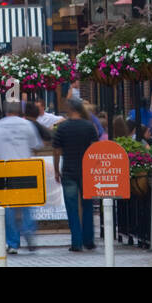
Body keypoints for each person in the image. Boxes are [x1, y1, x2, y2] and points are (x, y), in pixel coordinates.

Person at [0, 98, 44, 254]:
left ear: (6, 111)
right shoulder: (27, 125)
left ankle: (13, 243)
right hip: (25, 169)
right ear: (19, 111)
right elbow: (36, 146)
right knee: (26, 204)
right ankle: (28, 229)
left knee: (8, 208)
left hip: (5, 171)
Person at [52, 98, 99, 252]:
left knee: (72, 208)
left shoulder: (62, 128)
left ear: (70, 109)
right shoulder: (89, 127)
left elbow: (57, 151)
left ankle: (76, 242)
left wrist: (56, 170)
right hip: (86, 171)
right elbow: (94, 149)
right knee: (87, 206)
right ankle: (89, 240)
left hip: (69, 171)